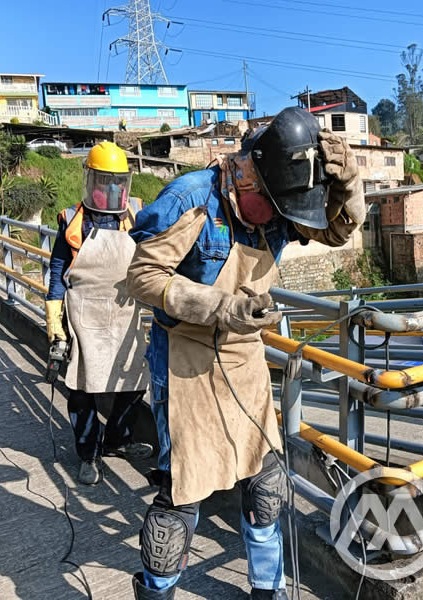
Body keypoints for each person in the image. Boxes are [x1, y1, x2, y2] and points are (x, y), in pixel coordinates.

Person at [125, 107, 365, 599]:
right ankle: (157, 591)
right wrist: (219, 306)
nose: (281, 222)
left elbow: (338, 232)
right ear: (248, 180)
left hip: (243, 359)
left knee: (266, 483)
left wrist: (347, 186)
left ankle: (266, 590)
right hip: (186, 359)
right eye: (276, 208)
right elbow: (142, 276)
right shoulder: (192, 198)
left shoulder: (278, 206)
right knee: (182, 495)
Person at [45, 141, 152, 485]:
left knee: (134, 384)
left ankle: (117, 441)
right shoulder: (73, 222)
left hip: (125, 312)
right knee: (83, 389)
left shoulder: (136, 215)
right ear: (90, 180)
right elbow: (58, 272)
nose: (111, 188)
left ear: (125, 182)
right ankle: (88, 454)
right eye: (104, 180)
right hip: (84, 316)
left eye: (117, 181)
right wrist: (54, 323)